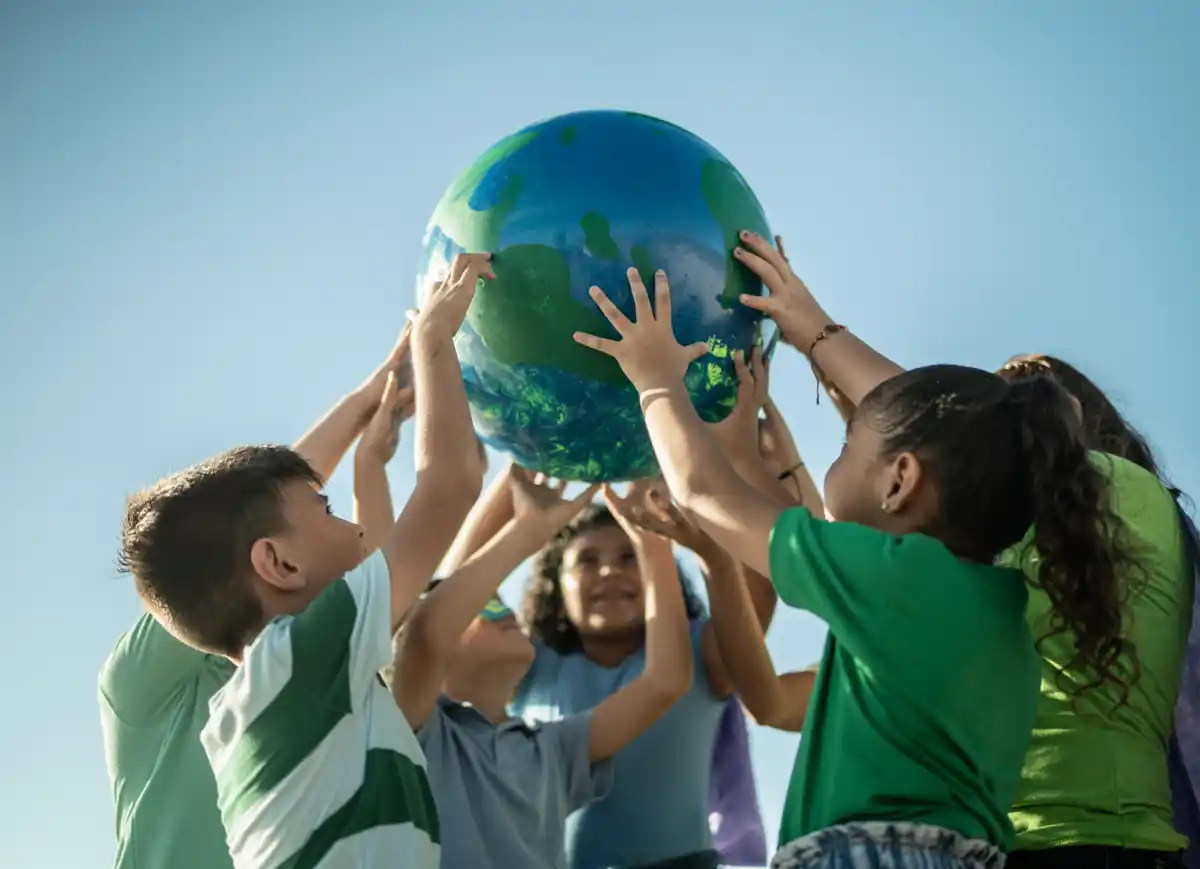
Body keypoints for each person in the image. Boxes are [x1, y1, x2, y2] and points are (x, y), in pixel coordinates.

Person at [571, 234, 1135, 869]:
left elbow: (703, 492)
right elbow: (784, 528)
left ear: (900, 481)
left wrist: (655, 380)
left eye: (847, 449)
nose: (834, 460)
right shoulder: (997, 608)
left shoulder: (896, 579)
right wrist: (743, 451)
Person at [116, 252, 493, 869]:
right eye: (327, 509)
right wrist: (433, 339)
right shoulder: (299, 657)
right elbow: (451, 483)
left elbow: (388, 553)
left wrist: (370, 459)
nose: (354, 526)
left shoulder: (292, 683)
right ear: (279, 565)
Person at [99, 321, 416, 869]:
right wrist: (365, 402)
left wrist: (372, 452)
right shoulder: (146, 679)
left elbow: (355, 557)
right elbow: (249, 513)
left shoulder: (313, 659)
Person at [389, 469, 696, 868]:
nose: (507, 612)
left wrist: (653, 547)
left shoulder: (552, 749)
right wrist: (525, 533)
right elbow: (425, 634)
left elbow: (664, 681)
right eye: (486, 604)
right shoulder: (415, 730)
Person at [995, 354, 1193, 869]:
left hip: (1080, 834)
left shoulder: (1113, 499)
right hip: (1109, 835)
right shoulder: (1148, 508)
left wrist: (820, 336)